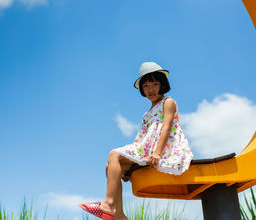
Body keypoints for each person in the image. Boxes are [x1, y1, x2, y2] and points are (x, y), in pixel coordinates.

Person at [79, 62, 193, 220]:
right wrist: (130, 165)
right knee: (111, 166)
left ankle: (109, 204)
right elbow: (141, 138)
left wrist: (158, 153)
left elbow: (167, 127)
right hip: (147, 151)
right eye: (146, 86)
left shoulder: (168, 102)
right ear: (142, 89)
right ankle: (119, 214)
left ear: (163, 84)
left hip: (163, 150)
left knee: (114, 154)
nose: (151, 89)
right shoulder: (147, 114)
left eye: (155, 84)